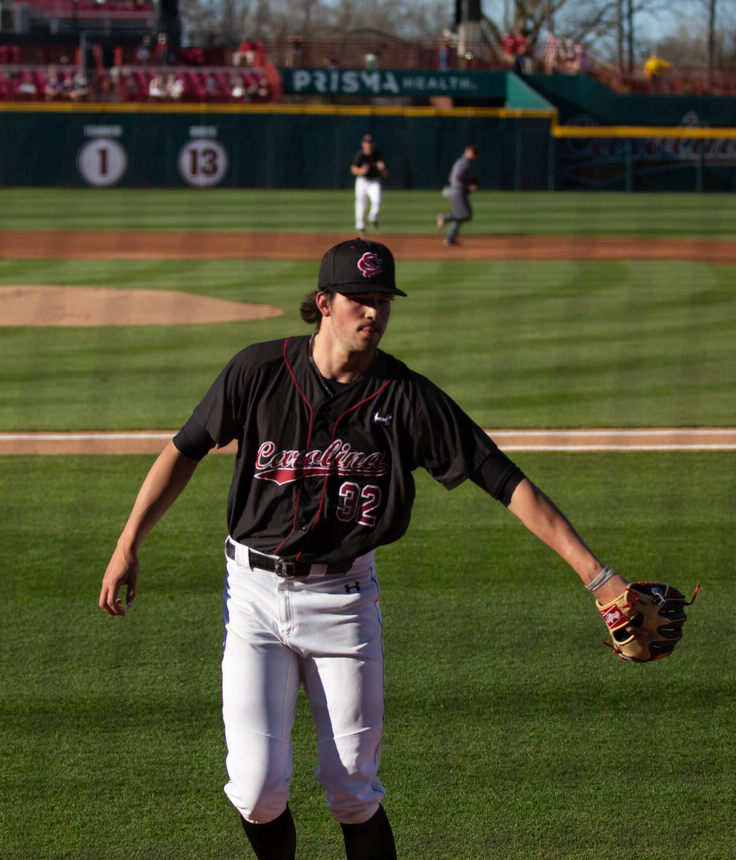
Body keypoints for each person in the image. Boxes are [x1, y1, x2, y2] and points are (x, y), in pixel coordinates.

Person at [98, 238, 633, 860]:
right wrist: (127, 543)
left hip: (345, 600)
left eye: (383, 300)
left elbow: (504, 480)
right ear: (324, 303)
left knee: (353, 790)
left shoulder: (406, 397)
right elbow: (183, 449)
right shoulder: (258, 371)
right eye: (360, 298)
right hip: (252, 599)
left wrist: (599, 577)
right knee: (256, 791)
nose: (374, 312)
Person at [436, 145, 478, 247]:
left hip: (455, 190)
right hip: (458, 191)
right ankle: (445, 218)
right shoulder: (464, 163)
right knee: (466, 215)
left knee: (459, 215)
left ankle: (450, 238)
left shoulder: (461, 162)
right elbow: (458, 177)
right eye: (474, 154)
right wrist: (468, 185)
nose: (475, 156)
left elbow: (451, 178)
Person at [350, 135, 385, 233]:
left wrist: (382, 168)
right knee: (361, 203)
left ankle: (373, 218)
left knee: (377, 200)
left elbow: (383, 170)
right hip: (362, 181)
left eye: (370, 142)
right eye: (367, 142)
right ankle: (360, 226)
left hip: (374, 181)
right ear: (363, 144)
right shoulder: (360, 155)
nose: (368, 145)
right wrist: (361, 171)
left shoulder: (377, 155)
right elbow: (353, 169)